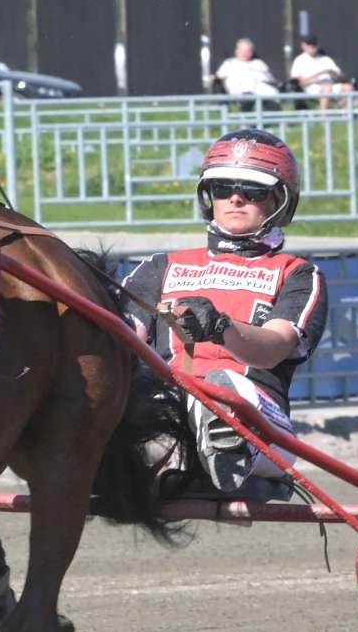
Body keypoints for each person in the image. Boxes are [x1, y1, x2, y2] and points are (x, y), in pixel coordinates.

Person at [122, 130, 327, 502]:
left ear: (281, 201)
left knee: (221, 388)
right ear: (208, 197)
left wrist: (221, 327)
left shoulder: (297, 274)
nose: (235, 198)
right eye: (222, 188)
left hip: (259, 418)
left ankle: (221, 447)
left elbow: (274, 348)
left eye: (253, 190)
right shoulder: (160, 267)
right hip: (165, 408)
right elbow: (125, 337)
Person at [288, 34, 352, 111]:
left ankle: (346, 116)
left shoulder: (326, 59)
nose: (312, 47)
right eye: (309, 44)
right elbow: (295, 81)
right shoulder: (299, 60)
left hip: (330, 85)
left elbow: (340, 76)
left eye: (314, 44)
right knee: (327, 88)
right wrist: (317, 75)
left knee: (348, 87)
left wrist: (334, 74)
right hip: (311, 87)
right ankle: (324, 118)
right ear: (303, 46)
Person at [214, 38, 279, 100]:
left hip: (259, 89)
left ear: (251, 53)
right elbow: (218, 76)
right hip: (240, 91)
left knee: (273, 93)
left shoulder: (259, 63)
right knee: (248, 96)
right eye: (242, 51)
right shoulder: (229, 63)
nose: (244, 54)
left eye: (247, 51)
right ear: (237, 51)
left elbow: (270, 78)